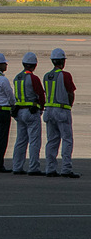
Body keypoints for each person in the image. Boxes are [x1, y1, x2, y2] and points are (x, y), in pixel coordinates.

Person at [43, 48, 81, 178]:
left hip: (49, 110)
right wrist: (69, 106)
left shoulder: (46, 76)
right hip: (61, 109)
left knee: (52, 141)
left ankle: (50, 168)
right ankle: (66, 168)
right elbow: (71, 92)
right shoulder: (65, 75)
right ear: (62, 62)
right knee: (67, 139)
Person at [11, 52, 46, 176]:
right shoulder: (33, 78)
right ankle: (33, 167)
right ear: (34, 65)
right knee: (34, 141)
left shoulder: (17, 77)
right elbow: (41, 95)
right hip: (31, 112)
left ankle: (17, 166)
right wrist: (41, 108)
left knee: (20, 141)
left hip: (20, 112)